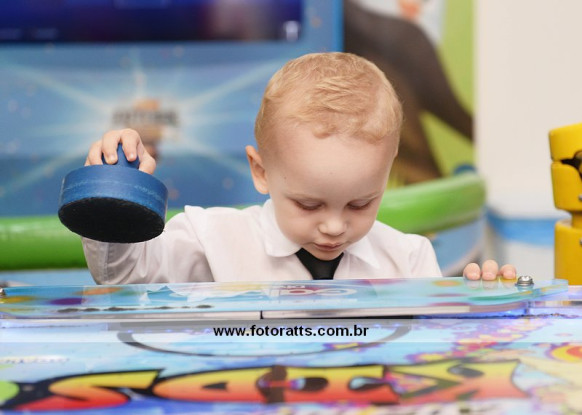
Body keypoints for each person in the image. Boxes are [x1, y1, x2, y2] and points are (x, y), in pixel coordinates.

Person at [82, 52, 515, 284]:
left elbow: (433, 351)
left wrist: (479, 305)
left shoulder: (408, 260)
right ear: (261, 171)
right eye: (309, 204)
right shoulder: (210, 239)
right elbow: (119, 275)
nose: (334, 227)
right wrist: (110, 198)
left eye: (361, 204)